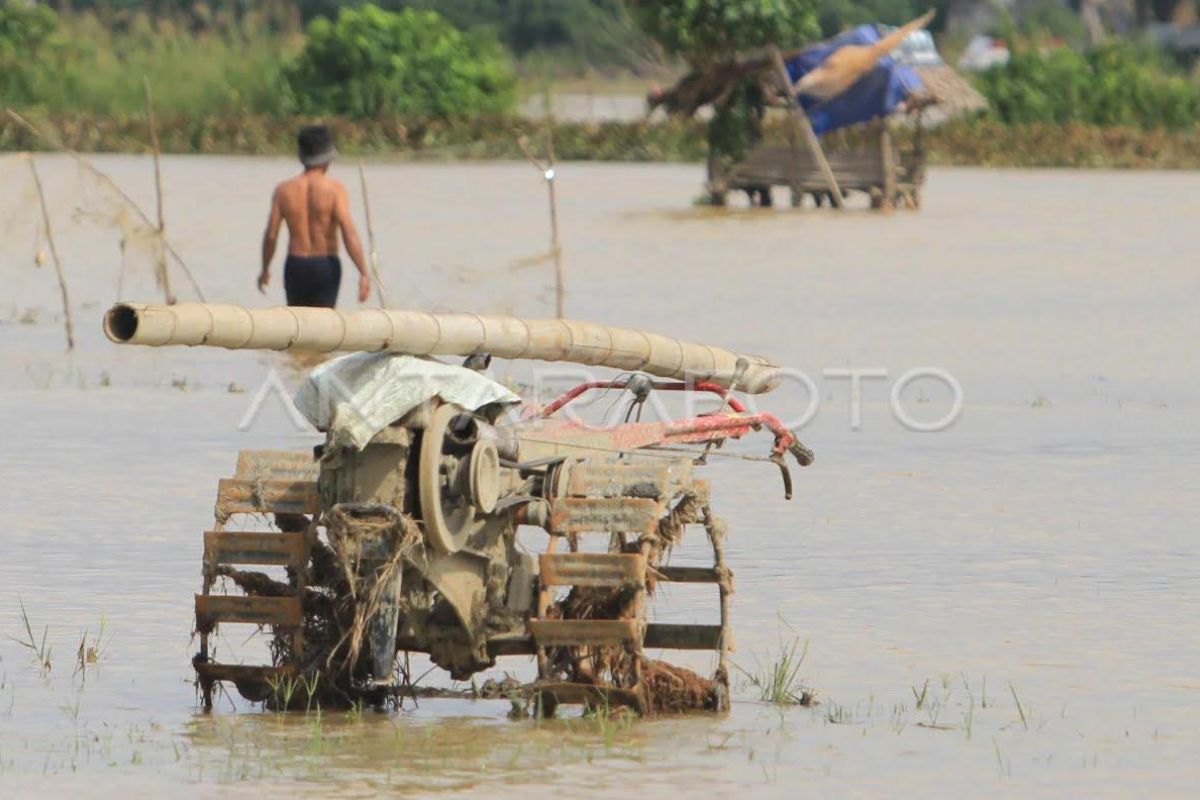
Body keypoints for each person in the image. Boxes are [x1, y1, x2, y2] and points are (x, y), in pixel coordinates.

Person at [257, 125, 371, 307]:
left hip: (296, 264)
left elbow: (271, 235)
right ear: (328, 157)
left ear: (301, 155)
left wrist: (265, 269)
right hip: (325, 264)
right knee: (325, 325)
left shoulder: (283, 190)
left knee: (297, 326)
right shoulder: (335, 190)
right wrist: (363, 272)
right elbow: (348, 232)